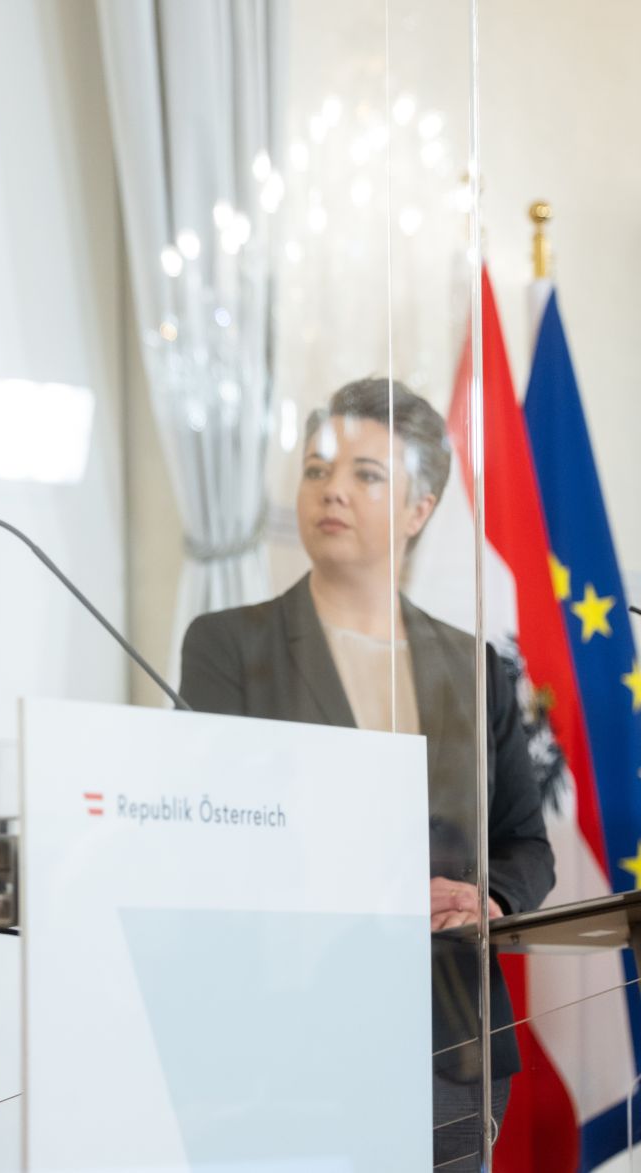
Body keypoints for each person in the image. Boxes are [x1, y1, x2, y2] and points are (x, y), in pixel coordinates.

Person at [179, 377, 554, 1172]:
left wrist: (489, 896)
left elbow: (527, 844)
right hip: (283, 1042)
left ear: (420, 509)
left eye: (366, 474)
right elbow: (203, 833)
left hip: (447, 1050)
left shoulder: (472, 666)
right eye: (318, 468)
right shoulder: (228, 646)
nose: (332, 490)